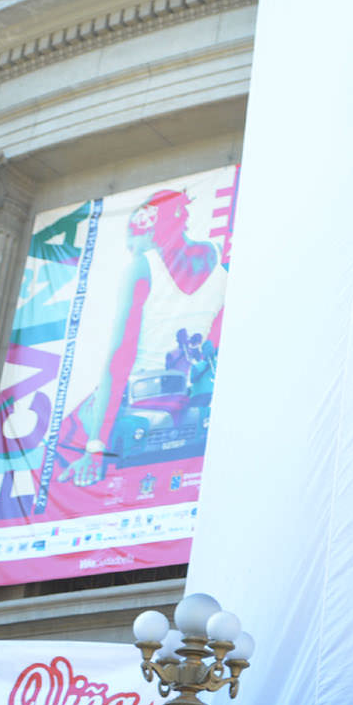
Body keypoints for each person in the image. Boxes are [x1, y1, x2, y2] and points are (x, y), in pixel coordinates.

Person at [56, 189, 224, 488]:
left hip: (149, 397)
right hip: (167, 396)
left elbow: (119, 358)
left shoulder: (142, 268)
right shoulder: (221, 257)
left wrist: (95, 447)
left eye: (135, 242)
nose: (133, 251)